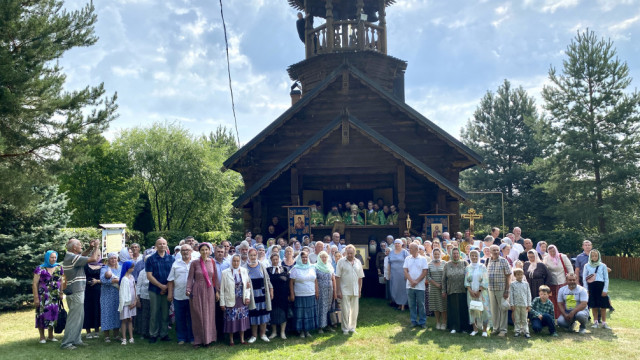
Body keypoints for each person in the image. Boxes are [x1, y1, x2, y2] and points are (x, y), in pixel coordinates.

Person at [60, 238, 100, 350]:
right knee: (74, 318)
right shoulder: (72, 258)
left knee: (79, 317)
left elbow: (83, 255)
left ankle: (76, 340)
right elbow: (93, 258)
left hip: (75, 291)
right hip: (76, 291)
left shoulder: (71, 257)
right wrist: (96, 247)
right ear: (74, 247)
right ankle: (66, 343)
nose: (81, 246)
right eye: (80, 245)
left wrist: (90, 248)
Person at [186, 243, 219, 348]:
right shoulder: (194, 263)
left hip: (209, 291)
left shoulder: (212, 262)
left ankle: (208, 339)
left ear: (210, 251)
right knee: (198, 315)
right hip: (197, 290)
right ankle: (198, 340)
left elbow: (215, 278)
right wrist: (188, 289)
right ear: (199, 251)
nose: (205, 252)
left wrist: (217, 291)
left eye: (206, 250)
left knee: (209, 315)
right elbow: (190, 278)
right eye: (202, 250)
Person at [146, 237, 174, 343]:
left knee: (165, 313)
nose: (162, 245)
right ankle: (153, 334)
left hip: (167, 289)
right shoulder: (151, 259)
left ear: (166, 245)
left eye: (164, 244)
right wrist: (160, 286)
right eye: (160, 244)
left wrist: (166, 287)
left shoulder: (171, 259)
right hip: (154, 289)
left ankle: (164, 334)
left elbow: (173, 274)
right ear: (156, 246)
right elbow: (149, 276)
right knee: (154, 313)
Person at [220, 255, 253, 346]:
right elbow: (222, 289)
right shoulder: (225, 273)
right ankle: (231, 340)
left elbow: (247, 287)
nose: (236, 263)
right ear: (231, 262)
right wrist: (222, 303)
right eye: (234, 261)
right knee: (231, 320)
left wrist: (247, 297)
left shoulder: (244, 271)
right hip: (230, 300)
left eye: (237, 261)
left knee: (241, 320)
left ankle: (242, 339)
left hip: (241, 300)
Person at [32, 250, 64, 343]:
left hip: (54, 296)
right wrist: (36, 297)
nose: (54, 259)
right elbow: (34, 284)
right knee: (41, 315)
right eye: (51, 257)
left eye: (55, 257)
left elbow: (61, 281)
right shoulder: (40, 268)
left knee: (53, 315)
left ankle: (51, 336)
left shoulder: (59, 267)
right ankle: (42, 337)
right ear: (47, 257)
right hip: (43, 296)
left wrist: (61, 293)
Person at [167, 244, 194, 345]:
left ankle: (192, 337)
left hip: (192, 296)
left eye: (187, 250)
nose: (185, 252)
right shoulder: (176, 264)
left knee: (192, 318)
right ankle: (181, 337)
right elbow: (170, 280)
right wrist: (170, 293)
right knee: (180, 318)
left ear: (191, 251)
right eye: (183, 250)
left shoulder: (195, 262)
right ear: (180, 252)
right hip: (178, 295)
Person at [245, 248, 273, 343]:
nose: (253, 257)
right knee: (254, 314)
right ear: (248, 256)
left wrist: (271, 289)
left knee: (263, 314)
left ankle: (263, 334)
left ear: (257, 256)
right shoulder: (245, 267)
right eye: (251, 255)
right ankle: (254, 335)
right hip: (252, 294)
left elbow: (267, 279)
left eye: (254, 255)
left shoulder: (261, 265)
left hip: (262, 293)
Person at [335, 245, 365, 335]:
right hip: (344, 289)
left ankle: (352, 328)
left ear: (354, 253)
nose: (350, 255)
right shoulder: (341, 262)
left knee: (354, 310)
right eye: (348, 253)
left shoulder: (358, 262)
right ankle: (345, 329)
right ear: (346, 253)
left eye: (351, 253)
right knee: (345, 310)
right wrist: (338, 291)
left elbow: (360, 277)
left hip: (355, 289)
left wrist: (360, 290)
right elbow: (337, 277)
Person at [289, 251, 318, 338]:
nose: (305, 259)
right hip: (300, 295)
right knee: (300, 314)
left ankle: (307, 331)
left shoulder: (312, 267)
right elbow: (291, 282)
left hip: (311, 294)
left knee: (309, 313)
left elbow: (315, 280)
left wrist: (317, 291)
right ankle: (301, 331)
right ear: (299, 259)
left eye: (306, 257)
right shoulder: (295, 269)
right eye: (303, 257)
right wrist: (292, 294)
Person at [442, 248, 471, 334]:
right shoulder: (447, 265)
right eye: (454, 254)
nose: (455, 255)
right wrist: (443, 290)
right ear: (451, 254)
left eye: (457, 253)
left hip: (463, 290)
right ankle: (454, 327)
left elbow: (469, 276)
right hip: (451, 290)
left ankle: (464, 328)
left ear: (459, 254)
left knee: (463, 309)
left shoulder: (464, 263)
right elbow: (443, 279)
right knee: (453, 310)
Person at [582, 249, 611, 329]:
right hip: (591, 287)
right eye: (593, 256)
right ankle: (595, 322)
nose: (594, 257)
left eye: (596, 256)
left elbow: (606, 278)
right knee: (594, 305)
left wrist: (605, 290)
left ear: (598, 256)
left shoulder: (603, 265)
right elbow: (584, 278)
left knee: (603, 306)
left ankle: (604, 322)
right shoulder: (587, 265)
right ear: (590, 257)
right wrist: (586, 289)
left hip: (601, 286)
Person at [487, 244, 511, 337]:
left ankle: (503, 330)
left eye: (497, 250)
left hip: (501, 289)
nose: (496, 252)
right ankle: (495, 328)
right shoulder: (488, 260)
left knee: (503, 309)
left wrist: (507, 290)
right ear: (490, 252)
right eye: (494, 250)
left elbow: (508, 276)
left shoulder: (503, 261)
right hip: (491, 289)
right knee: (494, 310)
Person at [464, 250, 490, 337]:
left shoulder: (482, 267)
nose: (474, 257)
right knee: (472, 309)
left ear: (478, 256)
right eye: (472, 255)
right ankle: (475, 329)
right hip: (470, 293)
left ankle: (484, 330)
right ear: (469, 257)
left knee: (484, 310)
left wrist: (479, 291)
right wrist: (471, 291)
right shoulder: (468, 267)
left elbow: (485, 280)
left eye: (476, 256)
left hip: (482, 293)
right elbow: (466, 281)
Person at [543, 245, 573, 319]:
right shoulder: (546, 258)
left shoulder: (562, 257)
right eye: (550, 251)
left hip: (562, 281)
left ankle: (567, 316)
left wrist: (571, 278)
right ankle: (556, 316)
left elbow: (570, 268)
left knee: (564, 299)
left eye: (553, 251)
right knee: (554, 300)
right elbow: (544, 269)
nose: (552, 253)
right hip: (552, 282)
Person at [403, 243, 428, 329]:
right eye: (409, 249)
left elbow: (424, 272)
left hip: (420, 286)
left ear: (417, 250)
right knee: (411, 304)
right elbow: (405, 271)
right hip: (409, 286)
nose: (410, 250)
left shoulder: (423, 259)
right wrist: (411, 281)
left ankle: (422, 322)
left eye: (411, 249)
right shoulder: (407, 259)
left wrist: (416, 281)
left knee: (421, 304)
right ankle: (413, 321)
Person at [266, 252, 290, 339]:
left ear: (279, 260)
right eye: (273, 259)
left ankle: (283, 332)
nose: (275, 261)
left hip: (283, 295)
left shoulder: (285, 269)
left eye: (276, 259)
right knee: (273, 313)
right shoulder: (267, 270)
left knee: (284, 312)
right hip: (273, 295)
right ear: (271, 260)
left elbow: (288, 282)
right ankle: (274, 332)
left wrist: (289, 294)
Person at [100, 252, 122, 342]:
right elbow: (102, 280)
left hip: (117, 294)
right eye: (111, 258)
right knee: (107, 313)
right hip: (107, 294)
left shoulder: (120, 268)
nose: (113, 260)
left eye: (115, 258)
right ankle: (106, 335)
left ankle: (116, 334)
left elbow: (124, 278)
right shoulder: (104, 268)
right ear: (108, 260)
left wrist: (116, 280)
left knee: (116, 313)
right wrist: (113, 281)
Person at [314, 251, 336, 333]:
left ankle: (328, 325)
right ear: (319, 258)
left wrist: (335, 292)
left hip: (330, 290)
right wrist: (316, 291)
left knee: (329, 307)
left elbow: (333, 279)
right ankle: (320, 326)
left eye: (325, 257)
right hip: (321, 290)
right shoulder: (316, 266)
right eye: (322, 257)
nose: (324, 259)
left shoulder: (329, 266)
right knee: (321, 307)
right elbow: (315, 280)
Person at [83, 250, 102, 340]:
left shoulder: (102, 266)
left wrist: (97, 281)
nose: (97, 257)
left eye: (99, 255)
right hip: (87, 290)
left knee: (97, 309)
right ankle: (88, 331)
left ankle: (97, 330)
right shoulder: (85, 265)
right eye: (95, 255)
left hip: (98, 291)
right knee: (87, 309)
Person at [428, 248, 447, 330]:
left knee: (443, 306)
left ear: (440, 254)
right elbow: (428, 276)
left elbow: (446, 275)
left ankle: (444, 323)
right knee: (435, 305)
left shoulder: (444, 263)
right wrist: (436, 284)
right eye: (435, 254)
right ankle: (438, 322)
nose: (436, 256)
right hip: (433, 288)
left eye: (438, 254)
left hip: (443, 288)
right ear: (433, 255)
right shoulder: (429, 264)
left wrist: (443, 285)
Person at [509, 268, 532, 338]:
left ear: (523, 275)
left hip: (524, 304)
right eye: (518, 275)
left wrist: (529, 304)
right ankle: (517, 331)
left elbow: (529, 294)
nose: (520, 276)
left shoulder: (526, 284)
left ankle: (526, 332)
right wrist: (512, 304)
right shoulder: (512, 284)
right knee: (517, 319)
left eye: (521, 274)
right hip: (516, 305)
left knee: (524, 319)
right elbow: (511, 295)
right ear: (515, 275)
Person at [118, 261, 136, 345]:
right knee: (124, 319)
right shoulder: (124, 279)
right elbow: (123, 293)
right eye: (131, 267)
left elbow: (134, 288)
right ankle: (124, 338)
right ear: (127, 268)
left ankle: (131, 337)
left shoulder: (131, 277)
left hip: (132, 301)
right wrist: (128, 303)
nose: (133, 269)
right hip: (126, 303)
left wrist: (135, 300)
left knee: (130, 319)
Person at [388, 239, 409, 311]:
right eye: (396, 243)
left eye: (398, 243)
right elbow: (389, 264)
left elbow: (408, 263)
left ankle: (403, 305)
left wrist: (407, 274)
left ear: (401, 244)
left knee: (402, 289)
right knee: (395, 289)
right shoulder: (391, 252)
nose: (397, 245)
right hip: (394, 274)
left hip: (402, 274)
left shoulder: (405, 252)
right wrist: (389, 273)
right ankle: (398, 304)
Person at [135, 254, 151, 339]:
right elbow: (138, 285)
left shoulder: (155, 270)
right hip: (144, 296)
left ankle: (153, 332)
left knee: (153, 315)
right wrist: (138, 298)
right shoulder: (142, 272)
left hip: (154, 295)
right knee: (144, 315)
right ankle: (143, 332)